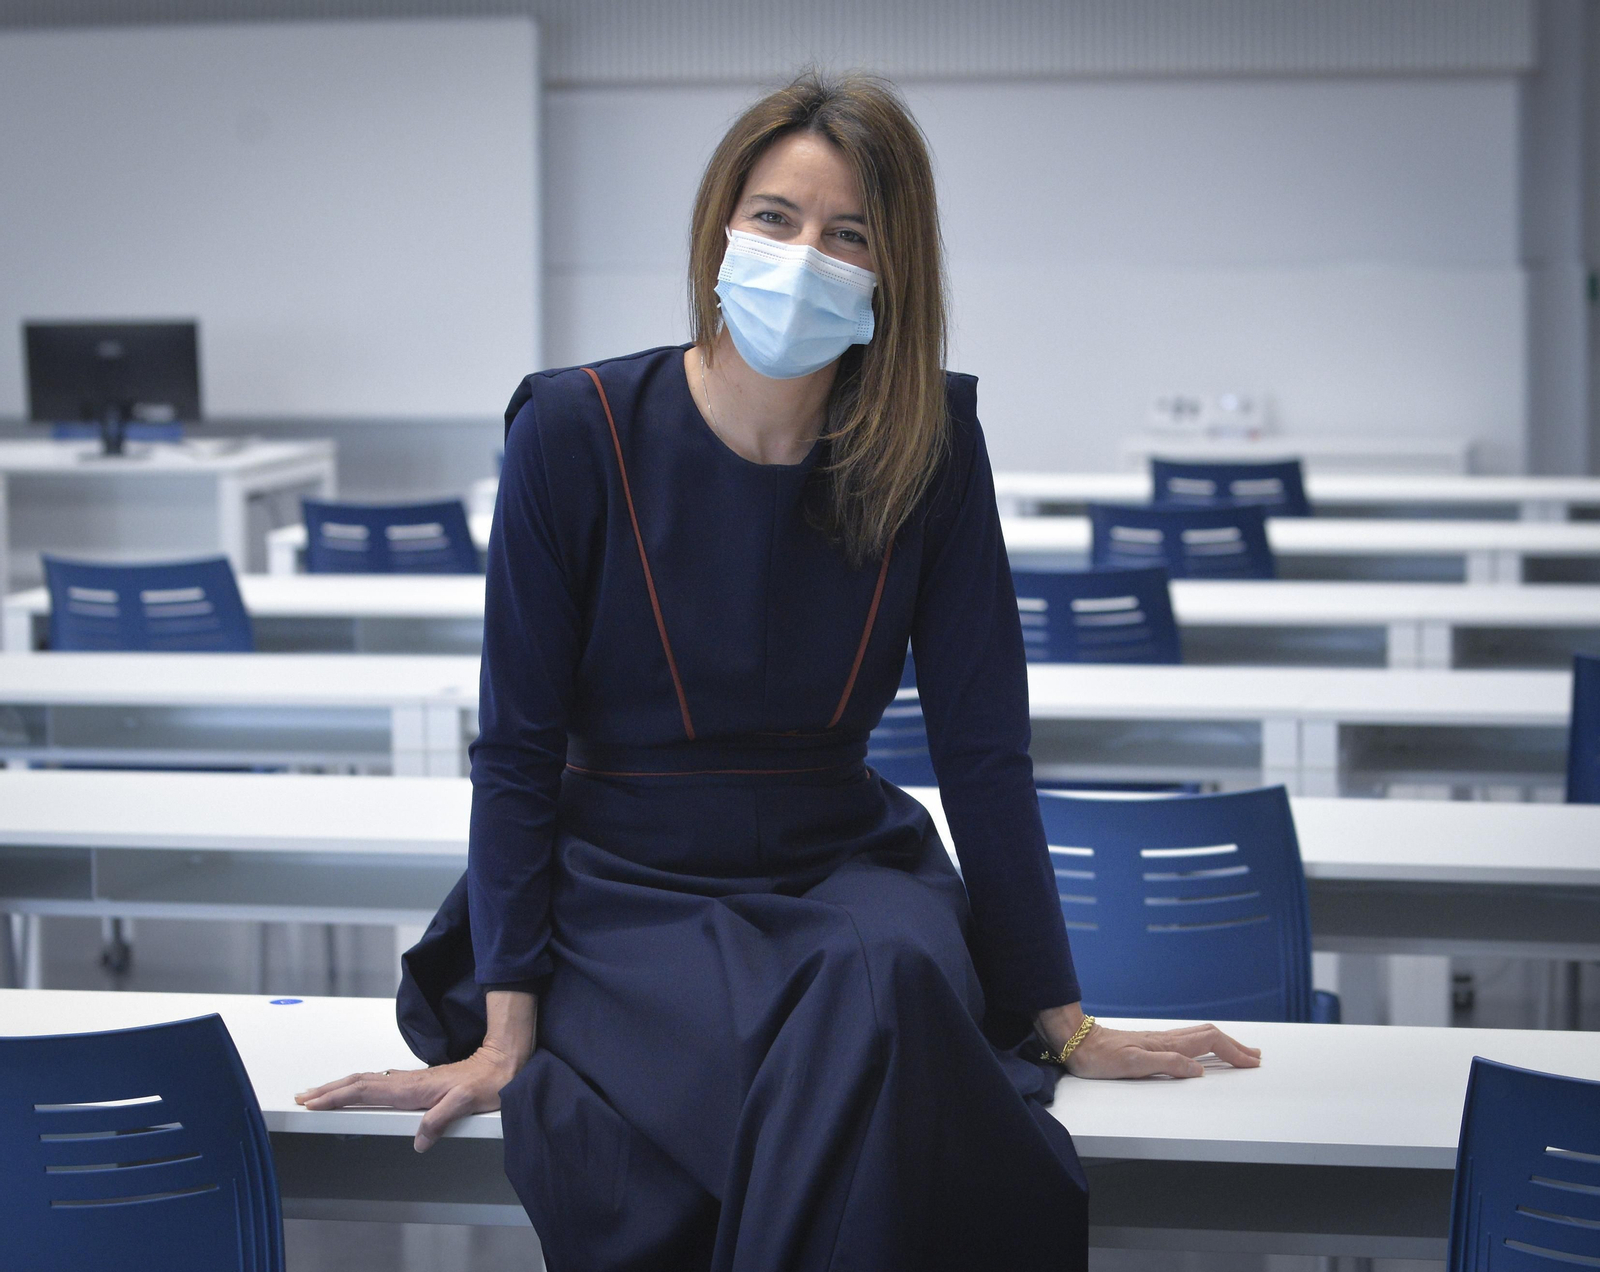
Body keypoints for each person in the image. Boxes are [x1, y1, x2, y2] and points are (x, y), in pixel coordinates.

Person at [299, 69, 1259, 1270]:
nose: (805, 254)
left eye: (847, 233)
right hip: (621, 881)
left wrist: (1060, 1021)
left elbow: (982, 745)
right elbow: (516, 749)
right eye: (775, 217)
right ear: (720, 228)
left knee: (889, 970)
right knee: (841, 1021)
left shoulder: (931, 446)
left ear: (891, 270)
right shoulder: (570, 429)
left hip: (834, 855)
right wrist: (504, 1033)